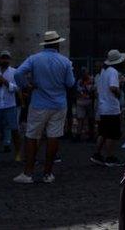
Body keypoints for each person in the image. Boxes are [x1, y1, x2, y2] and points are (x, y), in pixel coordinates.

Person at [12, 30, 75, 184]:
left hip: (39, 102)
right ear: (57, 44)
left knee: (32, 136)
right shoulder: (65, 61)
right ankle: (48, 173)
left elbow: (18, 73)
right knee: (53, 136)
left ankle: (28, 173)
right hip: (59, 104)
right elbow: (70, 83)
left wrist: (26, 86)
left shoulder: (34, 59)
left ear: (45, 44)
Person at [90, 49, 125, 166]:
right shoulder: (113, 72)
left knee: (103, 132)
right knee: (112, 134)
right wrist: (119, 93)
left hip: (103, 107)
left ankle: (97, 154)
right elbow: (113, 87)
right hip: (111, 107)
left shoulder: (103, 71)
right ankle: (110, 157)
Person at [71, 66, 95, 141]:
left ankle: (80, 135)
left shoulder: (78, 80)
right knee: (89, 119)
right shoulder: (91, 80)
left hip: (82, 101)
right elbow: (92, 90)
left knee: (82, 119)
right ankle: (89, 135)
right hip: (87, 101)